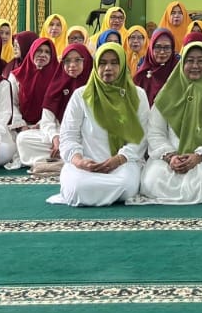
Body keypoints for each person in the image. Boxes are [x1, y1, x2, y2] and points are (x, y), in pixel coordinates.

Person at [139, 39, 202, 204]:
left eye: (201, 61)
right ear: (181, 64)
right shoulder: (167, 95)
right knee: (152, 180)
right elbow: (155, 131)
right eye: (190, 61)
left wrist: (198, 157)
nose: (195, 66)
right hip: (171, 157)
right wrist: (170, 156)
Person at [51, 42, 147, 206]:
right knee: (76, 188)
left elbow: (140, 137)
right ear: (95, 66)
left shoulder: (137, 95)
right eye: (102, 63)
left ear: (123, 65)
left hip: (122, 163)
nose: (108, 68)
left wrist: (118, 159)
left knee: (126, 186)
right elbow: (68, 135)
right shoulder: (81, 95)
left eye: (114, 62)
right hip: (85, 164)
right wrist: (79, 161)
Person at [18, 42, 89, 167]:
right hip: (61, 136)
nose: (72, 65)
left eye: (77, 60)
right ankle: (70, 157)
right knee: (23, 139)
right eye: (67, 61)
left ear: (87, 61)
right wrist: (55, 137)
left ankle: (64, 158)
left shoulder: (93, 86)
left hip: (86, 138)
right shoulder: (57, 85)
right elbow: (47, 120)